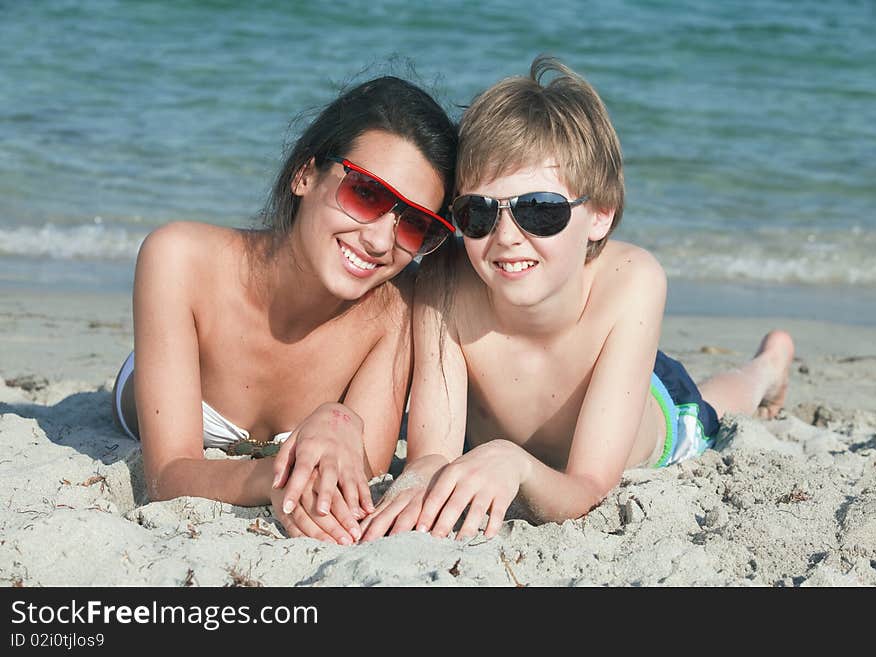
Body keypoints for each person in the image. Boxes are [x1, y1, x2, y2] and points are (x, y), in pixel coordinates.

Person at [359, 55, 795, 542]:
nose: (506, 236)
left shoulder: (632, 281)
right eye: (478, 213)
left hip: (651, 413)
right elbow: (431, 455)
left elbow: (588, 486)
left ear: (601, 216)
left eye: (539, 211)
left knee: (712, 404)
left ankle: (766, 369)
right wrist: (422, 476)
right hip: (508, 446)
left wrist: (515, 464)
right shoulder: (444, 279)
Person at [111, 74, 458, 544]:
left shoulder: (396, 305)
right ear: (305, 174)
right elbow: (167, 476)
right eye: (367, 193)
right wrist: (271, 479)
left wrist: (339, 420)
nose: (380, 240)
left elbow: (365, 466)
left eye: (415, 223)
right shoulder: (179, 260)